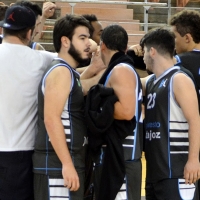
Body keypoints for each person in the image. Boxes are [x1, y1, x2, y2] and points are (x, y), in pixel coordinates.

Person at [32, 14, 104, 200]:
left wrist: (96, 69)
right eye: (82, 38)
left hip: (65, 161)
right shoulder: (61, 71)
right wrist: (67, 164)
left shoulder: (68, 71)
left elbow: (78, 88)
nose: (89, 43)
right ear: (65, 41)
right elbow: (51, 118)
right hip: (57, 165)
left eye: (88, 37)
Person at [0, 5, 58, 200]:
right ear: (29, 32)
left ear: (3, 28)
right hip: (20, 155)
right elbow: (71, 68)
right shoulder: (40, 60)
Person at [140, 27, 200, 200]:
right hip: (155, 173)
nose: (142, 58)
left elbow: (195, 120)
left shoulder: (179, 78)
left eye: (144, 52)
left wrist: (193, 160)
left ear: (152, 51)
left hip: (178, 171)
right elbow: (129, 80)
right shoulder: (152, 81)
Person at [85, 24, 143, 200]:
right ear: (125, 47)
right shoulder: (117, 68)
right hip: (114, 155)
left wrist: (96, 105)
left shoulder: (121, 69)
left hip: (123, 157)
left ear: (102, 45)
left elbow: (126, 112)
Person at [169, 9, 200, 199]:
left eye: (174, 37)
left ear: (187, 37)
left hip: (189, 145)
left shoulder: (178, 62)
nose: (172, 43)